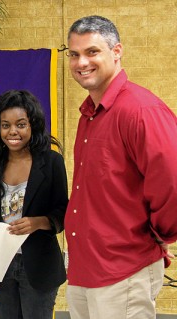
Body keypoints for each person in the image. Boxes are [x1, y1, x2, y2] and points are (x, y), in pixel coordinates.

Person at [65, 15, 177, 319]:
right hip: (84, 272)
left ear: (117, 52)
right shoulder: (89, 115)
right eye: (73, 54)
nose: (80, 62)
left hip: (123, 271)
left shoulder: (141, 110)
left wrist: (160, 233)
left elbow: (173, 183)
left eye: (92, 52)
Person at [0, 90, 68, 319]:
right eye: (6, 125)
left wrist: (39, 222)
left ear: (32, 125)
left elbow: (63, 212)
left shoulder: (51, 162)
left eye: (20, 124)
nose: (13, 131)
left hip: (39, 266)